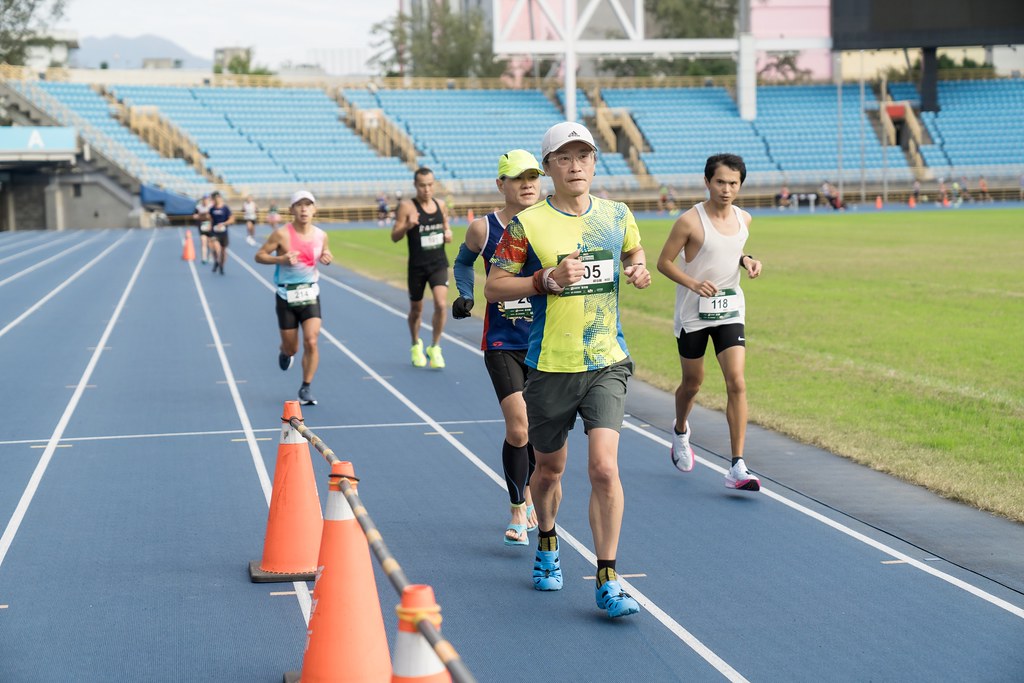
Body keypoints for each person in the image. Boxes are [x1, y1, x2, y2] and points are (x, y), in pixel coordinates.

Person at [485, 121, 651, 619]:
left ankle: (607, 577)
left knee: (603, 467)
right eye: (564, 157)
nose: (575, 165)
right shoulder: (527, 225)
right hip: (551, 366)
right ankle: (548, 540)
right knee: (551, 468)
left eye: (584, 155)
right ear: (550, 166)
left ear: (595, 162)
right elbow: (494, 286)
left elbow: (633, 251)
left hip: (606, 361)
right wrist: (545, 279)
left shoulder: (618, 214)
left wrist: (637, 268)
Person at [452, 149, 544, 546]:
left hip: (546, 342)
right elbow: (461, 263)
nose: (527, 185)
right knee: (519, 427)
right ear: (501, 184)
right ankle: (517, 508)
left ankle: (532, 495)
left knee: (539, 431)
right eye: (517, 178)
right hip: (502, 342)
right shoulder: (483, 228)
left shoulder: (551, 224)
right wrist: (465, 295)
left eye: (533, 177)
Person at [656, 154, 763, 492]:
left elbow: (732, 252)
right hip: (693, 312)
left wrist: (748, 261)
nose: (727, 189)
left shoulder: (745, 219)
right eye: (720, 182)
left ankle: (737, 465)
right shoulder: (690, 220)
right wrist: (692, 283)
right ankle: (681, 430)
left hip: (730, 309)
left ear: (740, 185)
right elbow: (663, 262)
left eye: (733, 183)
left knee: (737, 382)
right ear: (708, 182)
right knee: (693, 383)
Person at [254, 190, 333, 406]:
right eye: (299, 205)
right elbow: (259, 255)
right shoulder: (281, 234)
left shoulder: (321, 235)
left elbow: (325, 252)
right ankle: (284, 351)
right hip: (286, 295)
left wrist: (327, 257)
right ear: (292, 210)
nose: (304, 209)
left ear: (314, 209)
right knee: (292, 348)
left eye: (308, 204)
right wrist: (281, 259)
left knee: (312, 340)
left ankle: (305, 387)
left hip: (310, 293)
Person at [391, 167, 452, 369]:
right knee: (416, 310)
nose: (426, 189)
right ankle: (416, 343)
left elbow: (445, 225)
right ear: (415, 186)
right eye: (422, 185)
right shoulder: (407, 207)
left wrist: (448, 232)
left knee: (441, 304)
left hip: (438, 264)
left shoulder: (440, 205)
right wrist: (408, 225)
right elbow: (394, 236)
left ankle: (435, 347)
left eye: (430, 185)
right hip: (417, 267)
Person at [208, 191, 234, 274]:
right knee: (216, 248)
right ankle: (216, 261)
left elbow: (231, 219)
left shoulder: (225, 208)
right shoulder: (212, 209)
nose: (216, 200)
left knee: (223, 251)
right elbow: (210, 219)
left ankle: (221, 266)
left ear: (220, 198)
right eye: (215, 199)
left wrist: (224, 223)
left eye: (218, 198)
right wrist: (209, 226)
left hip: (223, 232)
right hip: (215, 232)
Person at [193, 194, 213, 264]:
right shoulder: (198, 207)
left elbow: (213, 216)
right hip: (202, 226)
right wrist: (202, 215)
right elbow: (194, 216)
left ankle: (210, 256)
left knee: (210, 243)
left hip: (210, 226)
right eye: (204, 199)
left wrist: (209, 217)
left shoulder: (211, 206)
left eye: (207, 199)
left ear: (209, 200)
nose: (205, 201)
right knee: (203, 242)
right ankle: (204, 258)